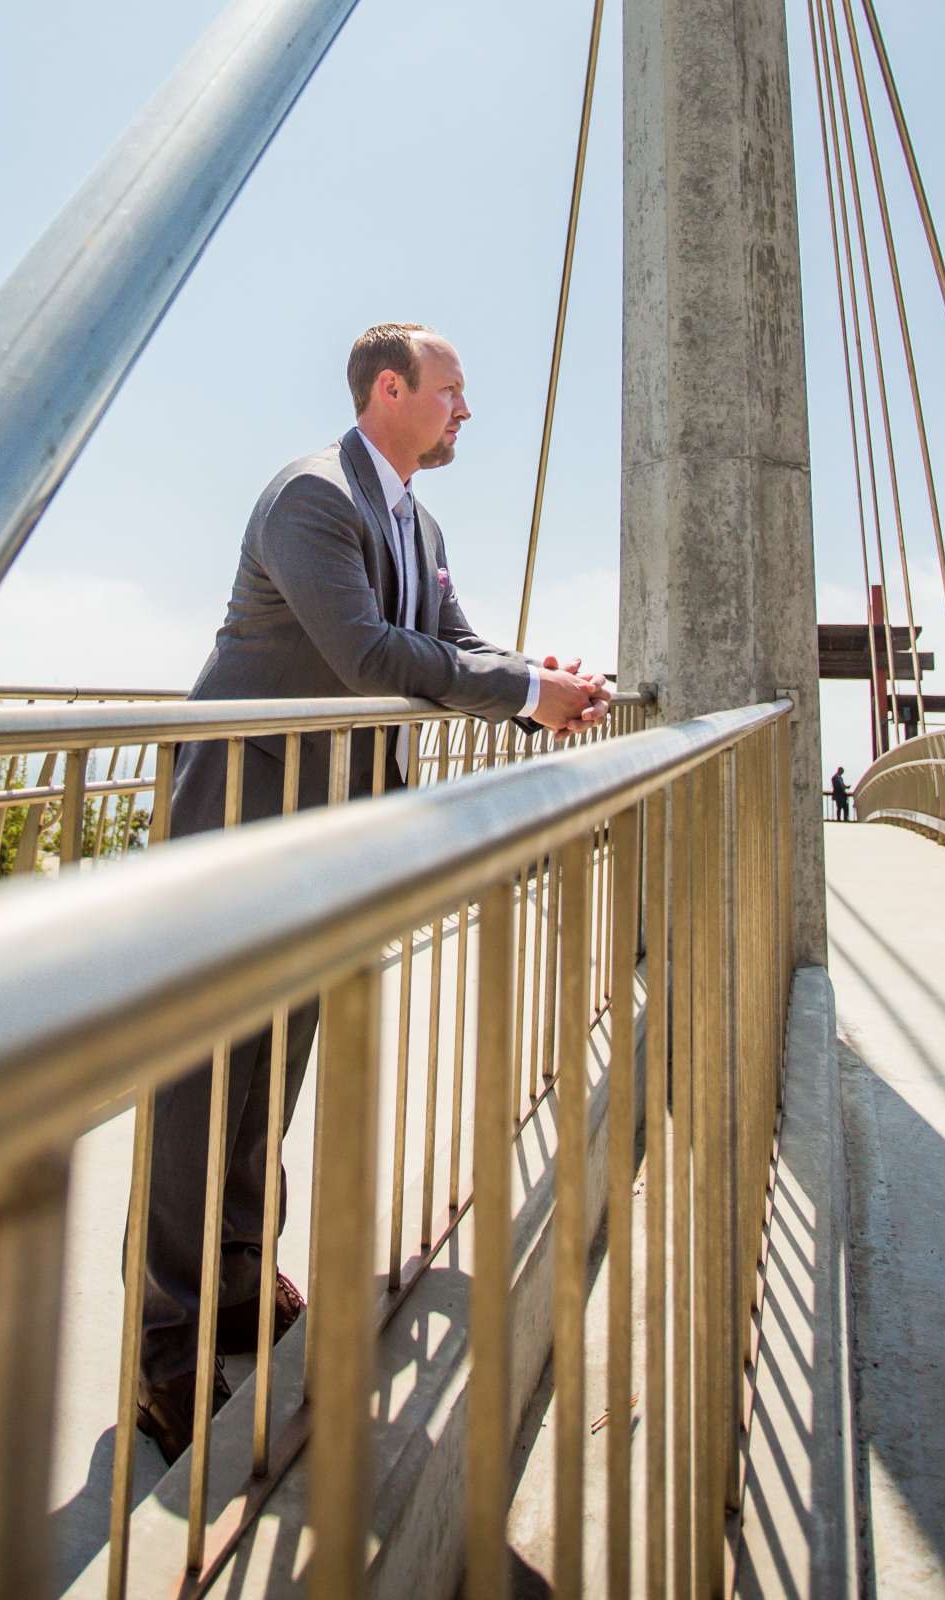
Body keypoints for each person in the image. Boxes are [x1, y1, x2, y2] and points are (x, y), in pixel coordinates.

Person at [135, 322, 611, 1463]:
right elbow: (365, 655)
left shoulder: (416, 518)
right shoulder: (311, 499)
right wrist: (522, 693)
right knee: (209, 1068)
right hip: (241, 814)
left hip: (327, 824)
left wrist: (531, 675)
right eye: (451, 390)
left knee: (278, 1054)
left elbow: (446, 640)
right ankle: (168, 1346)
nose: (464, 411)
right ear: (388, 390)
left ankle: (244, 1281)